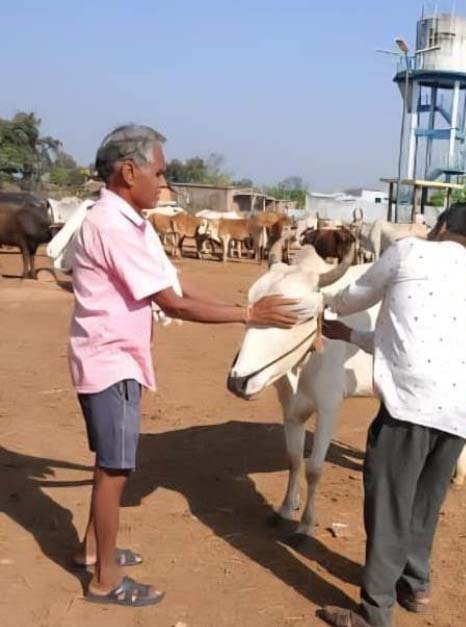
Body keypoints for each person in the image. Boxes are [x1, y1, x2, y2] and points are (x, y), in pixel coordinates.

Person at [68, 124, 301, 606]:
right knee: (114, 469)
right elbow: (172, 303)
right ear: (128, 171)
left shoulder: (131, 221)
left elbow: (178, 280)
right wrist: (247, 315)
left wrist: (243, 311)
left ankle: (94, 552)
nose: (164, 182)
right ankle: (105, 579)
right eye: (160, 172)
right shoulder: (113, 225)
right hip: (108, 360)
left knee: (110, 465)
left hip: (117, 357)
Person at [316, 204, 466, 627]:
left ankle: (375, 612)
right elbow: (407, 338)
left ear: (441, 227)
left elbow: (354, 294)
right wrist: (352, 335)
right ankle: (414, 584)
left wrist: (328, 302)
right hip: (460, 407)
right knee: (425, 503)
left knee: (390, 503)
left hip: (410, 404)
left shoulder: (410, 251)